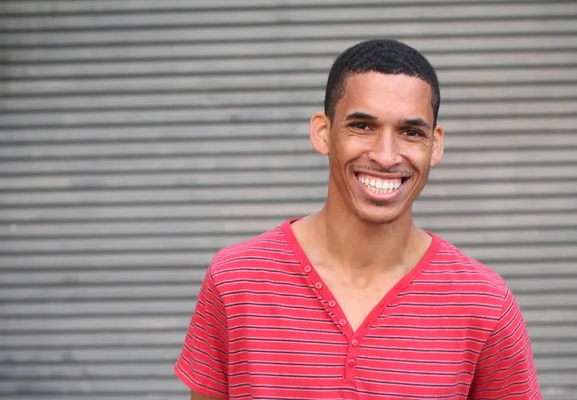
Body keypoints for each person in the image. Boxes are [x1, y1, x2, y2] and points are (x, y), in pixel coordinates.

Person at [174, 39, 541, 399]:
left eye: (411, 132)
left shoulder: (485, 304)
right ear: (323, 133)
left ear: (436, 145)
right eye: (362, 126)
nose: (385, 156)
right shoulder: (236, 280)